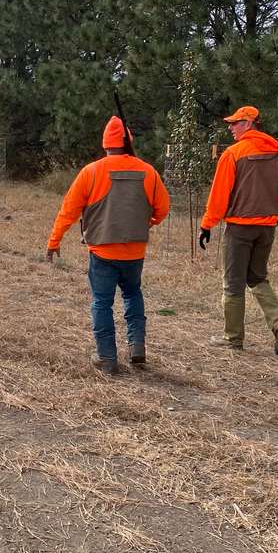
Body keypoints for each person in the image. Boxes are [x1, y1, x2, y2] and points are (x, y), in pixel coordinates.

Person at [46, 116, 170, 374]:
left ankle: (107, 358)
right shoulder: (148, 171)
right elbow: (163, 208)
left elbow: (68, 210)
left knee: (102, 302)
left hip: (102, 251)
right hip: (135, 251)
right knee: (133, 294)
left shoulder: (91, 172)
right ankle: (137, 346)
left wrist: (54, 240)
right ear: (129, 143)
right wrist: (146, 222)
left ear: (105, 144)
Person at [199, 105, 278, 354]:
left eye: (235, 123)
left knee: (233, 283)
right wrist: (274, 215)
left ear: (249, 124)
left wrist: (207, 224)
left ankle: (233, 338)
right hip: (267, 228)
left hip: (240, 227)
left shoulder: (234, 153)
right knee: (257, 277)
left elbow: (219, 196)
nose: (230, 127)